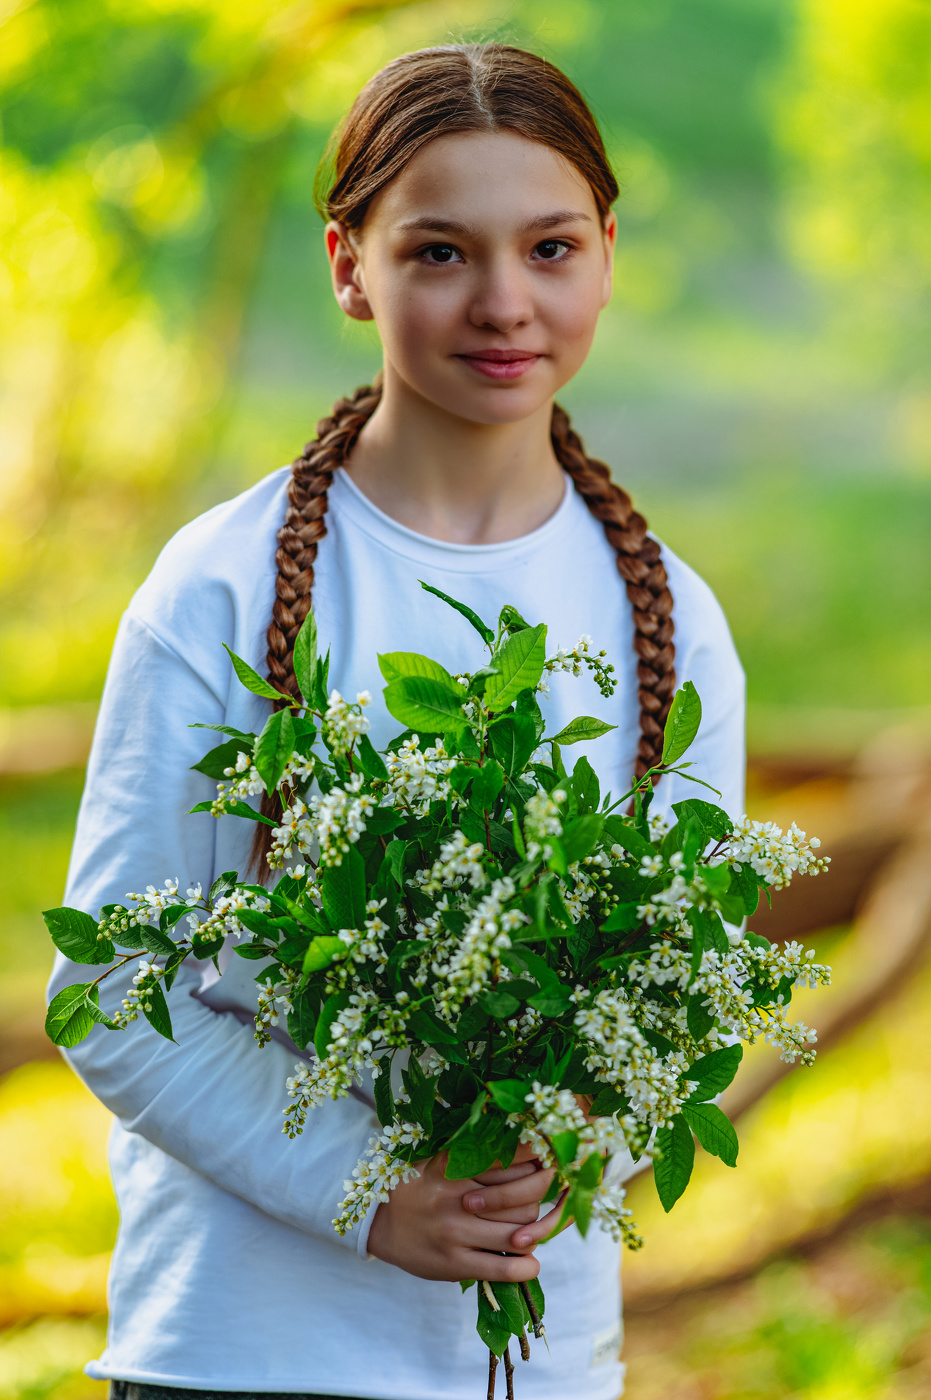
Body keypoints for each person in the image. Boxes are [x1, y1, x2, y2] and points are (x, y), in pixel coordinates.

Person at [49, 42, 745, 1400]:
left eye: (549, 248)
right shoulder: (222, 591)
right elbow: (112, 988)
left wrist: (569, 1118)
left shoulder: (671, 615)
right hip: (245, 1354)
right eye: (438, 253)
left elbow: (673, 982)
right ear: (345, 263)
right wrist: (371, 1194)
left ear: (606, 250)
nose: (503, 302)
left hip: (539, 1365)